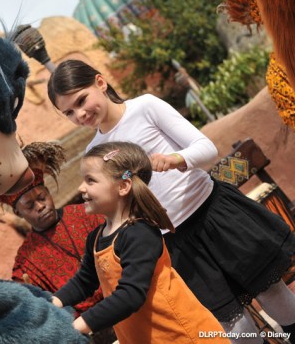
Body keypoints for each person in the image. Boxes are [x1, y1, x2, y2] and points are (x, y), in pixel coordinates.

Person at [47, 59, 295, 342]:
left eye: (81, 100)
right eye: (69, 112)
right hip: (174, 244)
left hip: (214, 215)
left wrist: (176, 159)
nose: (80, 114)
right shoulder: (95, 152)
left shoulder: (145, 107)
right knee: (236, 331)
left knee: (275, 296)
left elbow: (206, 149)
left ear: (100, 83)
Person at [52, 141, 229, 343]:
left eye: (90, 180)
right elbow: (84, 281)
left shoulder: (139, 233)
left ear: (123, 186)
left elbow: (131, 294)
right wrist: (50, 304)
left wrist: (77, 327)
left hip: (183, 336)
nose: (81, 187)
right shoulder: (96, 237)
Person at [0, 141, 115, 344]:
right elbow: (35, 308)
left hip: (129, 299)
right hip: (91, 331)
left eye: (42, 197)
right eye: (29, 205)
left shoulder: (89, 213)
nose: (40, 206)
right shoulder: (26, 262)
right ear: (18, 212)